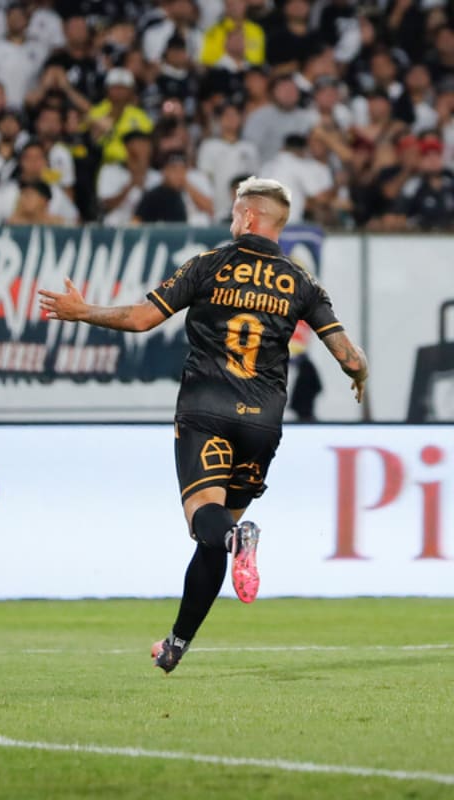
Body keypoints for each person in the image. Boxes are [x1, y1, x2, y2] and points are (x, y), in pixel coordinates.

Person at [38, 177, 369, 673]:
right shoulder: (302, 282)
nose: (232, 220)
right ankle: (177, 643)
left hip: (206, 410)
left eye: (236, 213)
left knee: (206, 522)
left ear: (251, 218)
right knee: (217, 533)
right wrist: (360, 374)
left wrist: (83, 312)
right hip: (263, 424)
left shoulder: (209, 265)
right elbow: (346, 354)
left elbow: (141, 319)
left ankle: (238, 543)